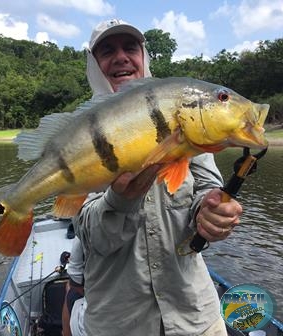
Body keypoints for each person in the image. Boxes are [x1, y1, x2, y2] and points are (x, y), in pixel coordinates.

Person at [71, 18, 242, 336]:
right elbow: (93, 238)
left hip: (196, 318)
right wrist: (119, 200)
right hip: (119, 325)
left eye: (130, 47)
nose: (121, 57)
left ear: (143, 56)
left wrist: (211, 209)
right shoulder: (80, 135)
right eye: (107, 50)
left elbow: (206, 187)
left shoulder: (186, 115)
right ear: (94, 65)